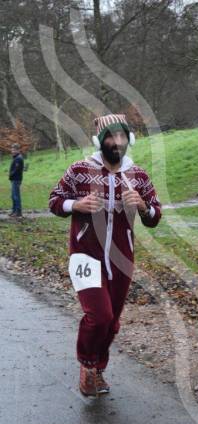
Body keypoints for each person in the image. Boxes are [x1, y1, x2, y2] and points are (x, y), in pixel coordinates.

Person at [49, 113, 162, 397]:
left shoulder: (138, 176)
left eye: (122, 136)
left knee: (112, 321)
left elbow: (155, 215)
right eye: (110, 137)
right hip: (85, 255)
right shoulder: (79, 170)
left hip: (121, 258)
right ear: (100, 141)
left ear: (129, 139)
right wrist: (77, 204)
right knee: (99, 315)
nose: (117, 142)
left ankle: (98, 369)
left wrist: (143, 207)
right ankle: (87, 367)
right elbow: (54, 201)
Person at [8, 143, 24, 218]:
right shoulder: (15, 157)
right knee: (13, 196)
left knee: (16, 196)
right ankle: (14, 211)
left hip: (16, 179)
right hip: (14, 179)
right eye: (12, 149)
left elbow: (16, 170)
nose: (13, 151)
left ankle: (18, 212)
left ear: (18, 150)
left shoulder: (18, 158)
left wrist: (11, 174)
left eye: (14, 149)